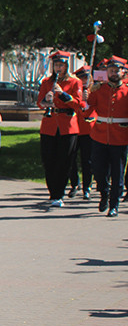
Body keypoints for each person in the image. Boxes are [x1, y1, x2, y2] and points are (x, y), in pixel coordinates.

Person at [36, 51, 83, 208]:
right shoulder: (46, 82)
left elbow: (78, 104)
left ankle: (59, 193)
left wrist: (62, 94)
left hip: (67, 125)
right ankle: (52, 192)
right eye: (56, 65)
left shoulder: (74, 82)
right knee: (49, 160)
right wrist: (47, 99)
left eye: (61, 65)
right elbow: (39, 103)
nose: (58, 68)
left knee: (64, 160)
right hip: (49, 125)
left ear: (66, 66)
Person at [83, 56, 128, 216]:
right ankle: (104, 193)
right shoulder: (99, 89)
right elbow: (88, 110)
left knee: (117, 173)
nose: (114, 73)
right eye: (111, 70)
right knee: (98, 169)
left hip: (120, 136)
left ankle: (114, 205)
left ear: (123, 73)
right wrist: (86, 98)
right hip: (100, 135)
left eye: (117, 71)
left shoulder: (127, 91)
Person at [68, 65, 93, 200]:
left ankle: (87, 187)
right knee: (71, 158)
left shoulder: (94, 92)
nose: (85, 81)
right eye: (82, 78)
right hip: (74, 128)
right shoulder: (74, 91)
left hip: (88, 130)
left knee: (87, 160)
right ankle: (74, 184)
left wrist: (88, 99)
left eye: (87, 78)